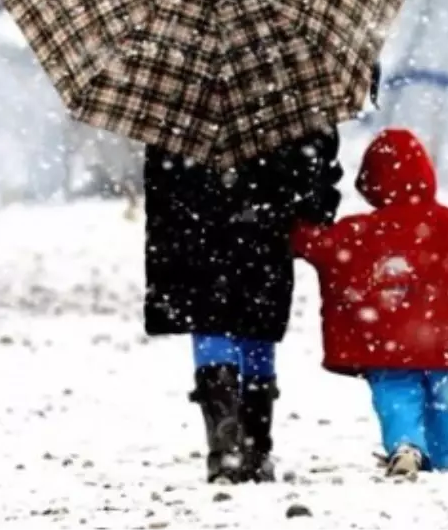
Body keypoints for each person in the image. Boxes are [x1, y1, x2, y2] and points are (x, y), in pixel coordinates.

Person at [292, 128, 448, 476]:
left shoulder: (358, 232)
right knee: (441, 401)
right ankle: (442, 459)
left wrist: (285, 225)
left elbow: (315, 245)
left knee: (395, 395)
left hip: (383, 343)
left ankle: (407, 446)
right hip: (444, 343)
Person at [144, 130, 343, 484]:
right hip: (264, 224)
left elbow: (161, 172)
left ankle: (225, 446)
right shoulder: (287, 90)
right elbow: (316, 158)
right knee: (257, 324)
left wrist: (172, 218)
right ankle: (256, 446)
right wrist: (314, 205)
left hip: (195, 225)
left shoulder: (178, 94)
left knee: (210, 320)